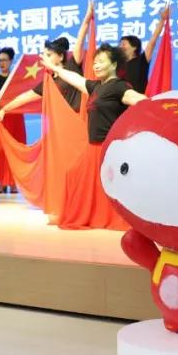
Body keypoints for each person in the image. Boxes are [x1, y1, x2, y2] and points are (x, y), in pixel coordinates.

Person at [38, 44, 147, 230]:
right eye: (94, 62)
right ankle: (95, 216)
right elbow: (75, 79)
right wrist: (54, 67)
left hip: (109, 149)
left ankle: (112, 218)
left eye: (101, 62)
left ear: (114, 64)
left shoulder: (119, 86)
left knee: (111, 185)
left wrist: (159, 105)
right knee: (75, 176)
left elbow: (139, 99)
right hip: (93, 147)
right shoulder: (96, 87)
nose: (96, 65)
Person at [0, 0, 94, 116]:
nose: (44, 58)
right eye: (43, 55)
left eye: (49, 55)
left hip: (80, 118)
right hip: (61, 122)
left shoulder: (72, 66)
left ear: (61, 56)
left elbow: (80, 39)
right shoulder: (48, 81)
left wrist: (87, 19)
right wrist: (4, 110)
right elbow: (24, 97)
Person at [0, 46, 24, 194]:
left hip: (15, 117)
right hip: (0, 118)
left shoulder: (16, 78)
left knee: (14, 150)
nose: (1, 63)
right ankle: (1, 182)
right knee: (1, 151)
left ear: (11, 61)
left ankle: (13, 183)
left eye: (4, 60)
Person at [117, 3, 171, 94]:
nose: (120, 47)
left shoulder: (142, 60)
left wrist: (162, 20)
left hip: (140, 100)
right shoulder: (118, 66)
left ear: (134, 47)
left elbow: (153, 40)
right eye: (120, 44)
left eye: (124, 44)